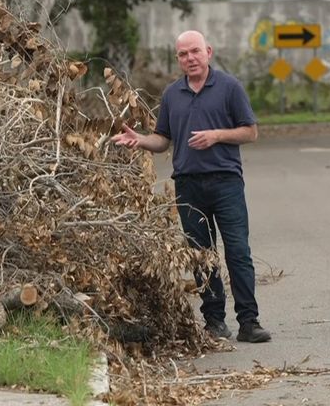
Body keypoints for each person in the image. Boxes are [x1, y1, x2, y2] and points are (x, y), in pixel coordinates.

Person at [111, 30, 271, 343]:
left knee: (238, 252)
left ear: (208, 52)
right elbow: (163, 140)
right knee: (200, 255)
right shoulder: (172, 94)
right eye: (183, 54)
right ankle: (214, 321)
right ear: (178, 59)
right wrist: (141, 140)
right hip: (188, 185)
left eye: (195, 51)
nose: (190, 58)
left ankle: (249, 322)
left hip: (226, 183)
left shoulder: (229, 87)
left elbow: (250, 132)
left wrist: (217, 135)